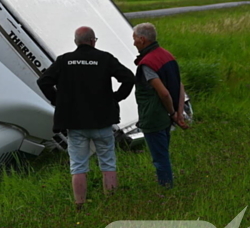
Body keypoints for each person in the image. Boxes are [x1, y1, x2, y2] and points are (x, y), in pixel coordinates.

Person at [37, 26, 135, 209]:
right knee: (108, 162)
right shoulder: (105, 58)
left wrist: (57, 100)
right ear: (93, 41)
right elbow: (129, 78)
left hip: (76, 123)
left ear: (76, 41)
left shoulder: (64, 61)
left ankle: (80, 204)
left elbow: (43, 81)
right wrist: (116, 97)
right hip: (102, 121)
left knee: (78, 165)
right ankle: (112, 203)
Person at [132, 22, 188, 188]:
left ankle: (166, 190)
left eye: (134, 38)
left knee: (160, 158)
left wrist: (172, 113)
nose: (133, 42)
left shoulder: (148, 63)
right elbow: (179, 86)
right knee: (163, 153)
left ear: (142, 39)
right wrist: (178, 113)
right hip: (166, 117)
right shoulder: (167, 55)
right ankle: (167, 185)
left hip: (155, 117)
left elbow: (163, 93)